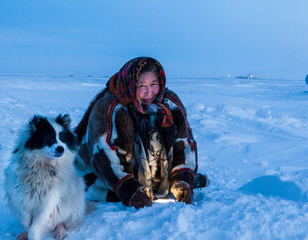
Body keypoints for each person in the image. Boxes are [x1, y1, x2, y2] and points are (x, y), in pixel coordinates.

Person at [74, 57, 208, 209]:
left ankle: (172, 181)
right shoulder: (110, 107)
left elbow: (184, 144)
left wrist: (182, 180)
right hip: (107, 175)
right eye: (142, 85)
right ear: (131, 84)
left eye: (153, 84)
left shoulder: (169, 103)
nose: (149, 92)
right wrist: (129, 190)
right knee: (102, 191)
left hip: (154, 175)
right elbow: (105, 156)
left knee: (180, 183)